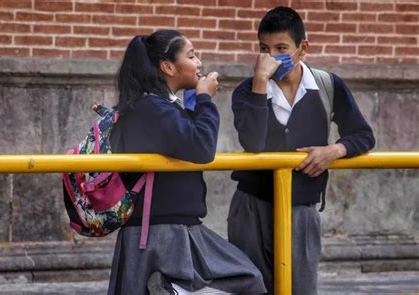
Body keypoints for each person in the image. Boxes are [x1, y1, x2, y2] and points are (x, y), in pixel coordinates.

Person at [228, 6, 375, 295]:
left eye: (281, 48)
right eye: (264, 49)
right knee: (251, 288)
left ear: (302, 48)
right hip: (252, 207)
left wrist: (334, 150)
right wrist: (260, 83)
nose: (272, 57)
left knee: (301, 288)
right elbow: (253, 143)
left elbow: (363, 135)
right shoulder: (247, 91)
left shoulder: (327, 85)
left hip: (302, 211)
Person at [107, 29, 266, 295]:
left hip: (173, 226)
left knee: (247, 279)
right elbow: (202, 147)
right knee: (247, 280)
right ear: (168, 66)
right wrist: (204, 98)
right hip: (162, 231)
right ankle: (174, 290)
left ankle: (174, 290)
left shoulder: (156, 107)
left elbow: (186, 141)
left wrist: (194, 103)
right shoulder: (152, 109)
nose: (199, 62)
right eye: (191, 56)